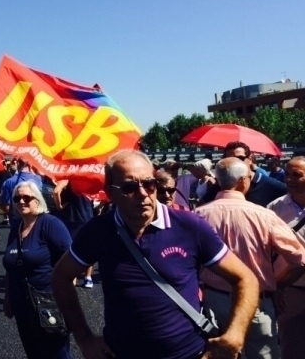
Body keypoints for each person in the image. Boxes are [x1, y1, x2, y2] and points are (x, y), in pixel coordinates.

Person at [52, 150, 259, 359]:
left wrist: (235, 334)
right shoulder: (98, 231)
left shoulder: (189, 226)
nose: (143, 193)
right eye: (129, 187)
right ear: (110, 192)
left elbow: (245, 278)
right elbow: (61, 276)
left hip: (190, 354)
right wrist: (84, 338)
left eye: (149, 183)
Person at [195, 157, 305, 358]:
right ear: (242, 181)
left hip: (214, 300)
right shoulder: (264, 215)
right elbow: (299, 258)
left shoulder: (197, 216)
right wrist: (279, 284)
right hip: (256, 302)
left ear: (218, 181)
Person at [3, 180, 72, 358]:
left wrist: (67, 297)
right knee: (34, 353)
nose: (21, 202)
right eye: (17, 198)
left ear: (38, 200)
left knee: (57, 353)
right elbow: (11, 267)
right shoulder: (15, 228)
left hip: (48, 302)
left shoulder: (50, 224)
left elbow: (70, 261)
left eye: (27, 197)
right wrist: (8, 298)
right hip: (22, 305)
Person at [265, 157, 305, 359]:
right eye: (287, 174)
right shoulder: (274, 208)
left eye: (297, 175)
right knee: (291, 342)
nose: (289, 179)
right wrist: (275, 285)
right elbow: (266, 249)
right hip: (290, 288)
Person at [201, 142, 287, 206]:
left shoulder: (269, 184)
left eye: (240, 158)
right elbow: (201, 206)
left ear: (250, 159)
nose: (235, 162)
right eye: (230, 158)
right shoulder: (222, 185)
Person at [52, 179, 95, 287]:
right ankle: (88, 278)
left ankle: (72, 276)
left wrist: (59, 206)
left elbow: (56, 191)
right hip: (87, 215)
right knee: (87, 247)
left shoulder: (69, 179)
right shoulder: (88, 178)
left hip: (72, 217)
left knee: (70, 248)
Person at [0, 158, 42, 223]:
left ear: (18, 163)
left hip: (16, 219)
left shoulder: (9, 182)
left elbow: (6, 206)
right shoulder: (38, 179)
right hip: (35, 217)